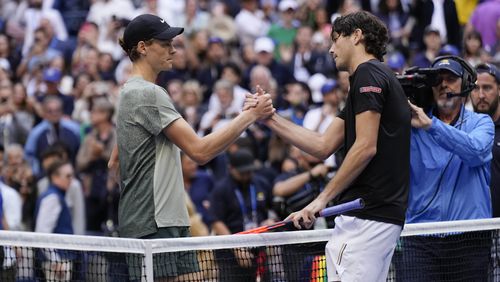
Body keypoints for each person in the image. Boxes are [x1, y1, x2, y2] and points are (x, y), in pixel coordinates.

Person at [246, 11, 410, 281]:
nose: (331, 49)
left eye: (336, 39)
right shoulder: (371, 78)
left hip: (366, 218)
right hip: (372, 217)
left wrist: (320, 200)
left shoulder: (368, 74)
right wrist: (269, 119)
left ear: (357, 36)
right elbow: (322, 145)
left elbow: (365, 147)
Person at [110, 14, 273, 281]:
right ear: (142, 47)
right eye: (165, 43)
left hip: (152, 220)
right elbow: (199, 151)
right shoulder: (148, 94)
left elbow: (113, 164)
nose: (173, 49)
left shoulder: (130, 91)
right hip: (157, 222)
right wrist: (251, 116)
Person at [402, 56, 493, 281]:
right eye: (437, 80)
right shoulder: (411, 126)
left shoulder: (482, 123)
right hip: (420, 238)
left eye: (451, 79)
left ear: (465, 84)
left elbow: (475, 151)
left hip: (469, 238)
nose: (444, 85)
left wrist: (432, 126)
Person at [470, 63, 500, 217]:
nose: (481, 95)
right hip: (475, 228)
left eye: (487, 88)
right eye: (475, 89)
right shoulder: (462, 131)